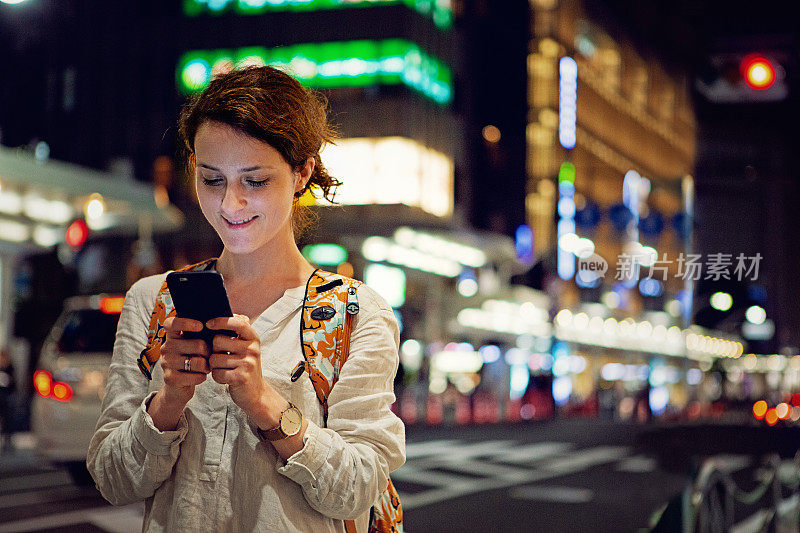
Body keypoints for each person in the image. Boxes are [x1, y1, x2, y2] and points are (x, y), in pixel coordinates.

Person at [87, 66, 405, 532]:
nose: (230, 204)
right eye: (212, 180)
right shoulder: (153, 301)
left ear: (301, 173)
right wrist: (169, 400)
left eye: (254, 181)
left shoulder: (355, 314)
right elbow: (113, 480)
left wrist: (263, 402)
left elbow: (360, 486)